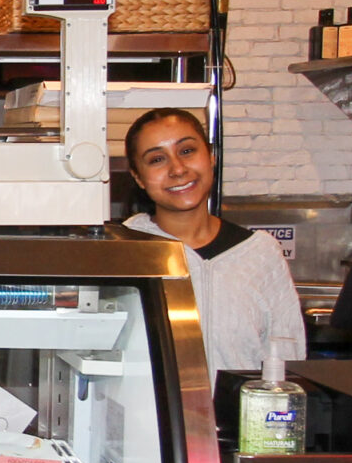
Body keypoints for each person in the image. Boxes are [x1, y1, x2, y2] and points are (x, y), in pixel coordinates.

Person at [117, 109, 304, 372]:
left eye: (187, 151)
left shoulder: (260, 253)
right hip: (148, 413)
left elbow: (288, 355)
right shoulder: (122, 250)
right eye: (157, 159)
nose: (178, 169)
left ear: (211, 156)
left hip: (240, 412)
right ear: (138, 177)